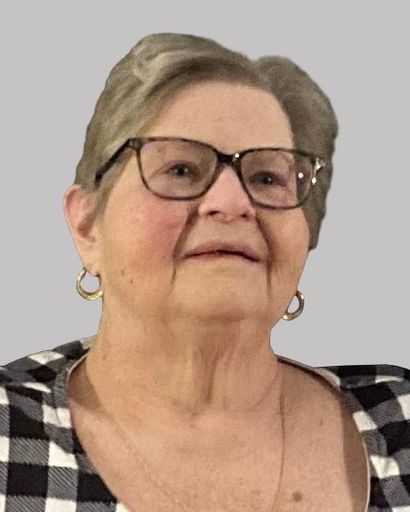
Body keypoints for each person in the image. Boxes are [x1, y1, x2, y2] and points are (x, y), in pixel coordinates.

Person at [0, 32, 409, 512]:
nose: (232, 203)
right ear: (88, 225)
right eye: (181, 170)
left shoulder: (398, 421)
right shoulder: (9, 432)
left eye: (267, 177)